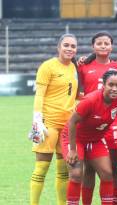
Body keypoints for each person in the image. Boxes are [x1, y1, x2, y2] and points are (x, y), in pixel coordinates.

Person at [62, 70, 117, 205]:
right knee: (76, 174)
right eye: (111, 85)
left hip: (96, 139)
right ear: (103, 85)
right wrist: (73, 150)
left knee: (107, 173)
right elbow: (72, 122)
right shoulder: (90, 100)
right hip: (75, 138)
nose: (115, 89)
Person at [78, 31, 117, 205]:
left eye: (107, 43)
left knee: (112, 166)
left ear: (112, 46)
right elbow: (79, 91)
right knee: (89, 169)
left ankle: (114, 200)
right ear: (93, 46)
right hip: (89, 122)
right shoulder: (83, 66)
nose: (103, 46)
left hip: (111, 123)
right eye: (99, 43)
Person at [28, 33, 78, 205]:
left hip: (67, 126)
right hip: (48, 124)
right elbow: (39, 95)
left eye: (73, 46)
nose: (70, 49)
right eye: (66, 45)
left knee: (63, 171)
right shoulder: (47, 66)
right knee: (41, 168)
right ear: (59, 48)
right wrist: (37, 121)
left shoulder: (74, 67)